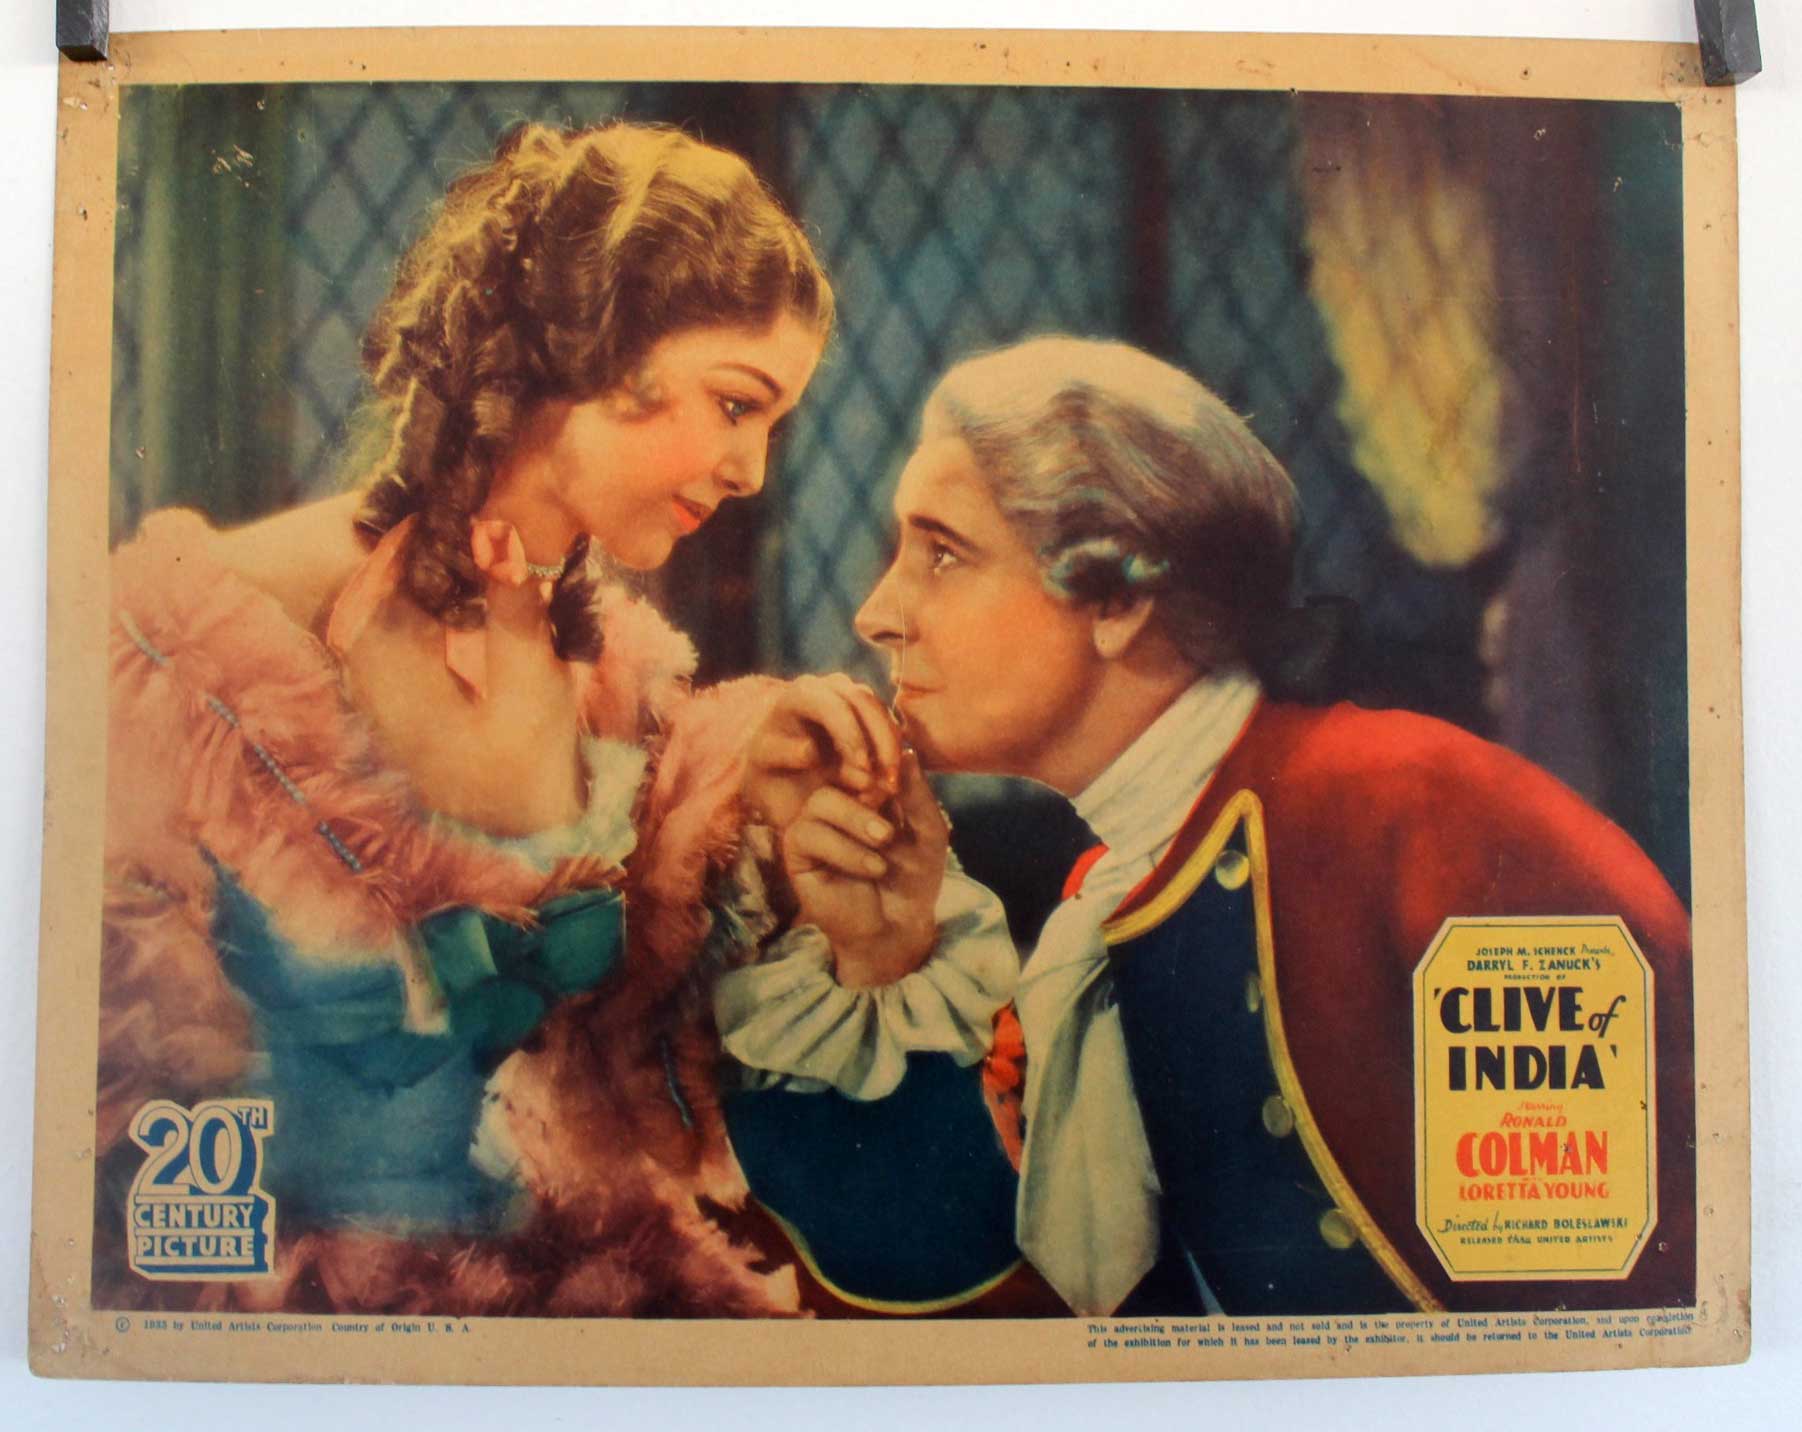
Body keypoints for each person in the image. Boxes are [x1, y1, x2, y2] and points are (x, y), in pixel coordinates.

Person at [731, 335, 1695, 1318]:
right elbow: (993, 1313)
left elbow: (1609, 1304)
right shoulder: (1106, 903)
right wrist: (882, 954)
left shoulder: (1422, 817)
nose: (877, 612)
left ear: (1117, 597)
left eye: (942, 553)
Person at [98, 120, 834, 1316]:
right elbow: (98, 1092)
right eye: (733, 402)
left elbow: (645, 1083)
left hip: (566, 1311)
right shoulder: (197, 631)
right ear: (595, 345)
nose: (750, 468)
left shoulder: (623, 683)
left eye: (771, 422)